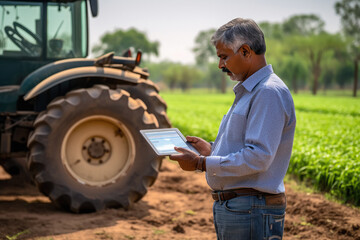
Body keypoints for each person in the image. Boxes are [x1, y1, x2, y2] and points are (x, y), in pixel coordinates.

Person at [169, 18, 296, 240]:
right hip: (242, 208)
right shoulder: (250, 91)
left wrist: (200, 163)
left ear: (246, 51)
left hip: (251, 209)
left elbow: (258, 157)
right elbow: (247, 147)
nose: (220, 65)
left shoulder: (267, 92)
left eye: (224, 57)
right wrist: (211, 150)